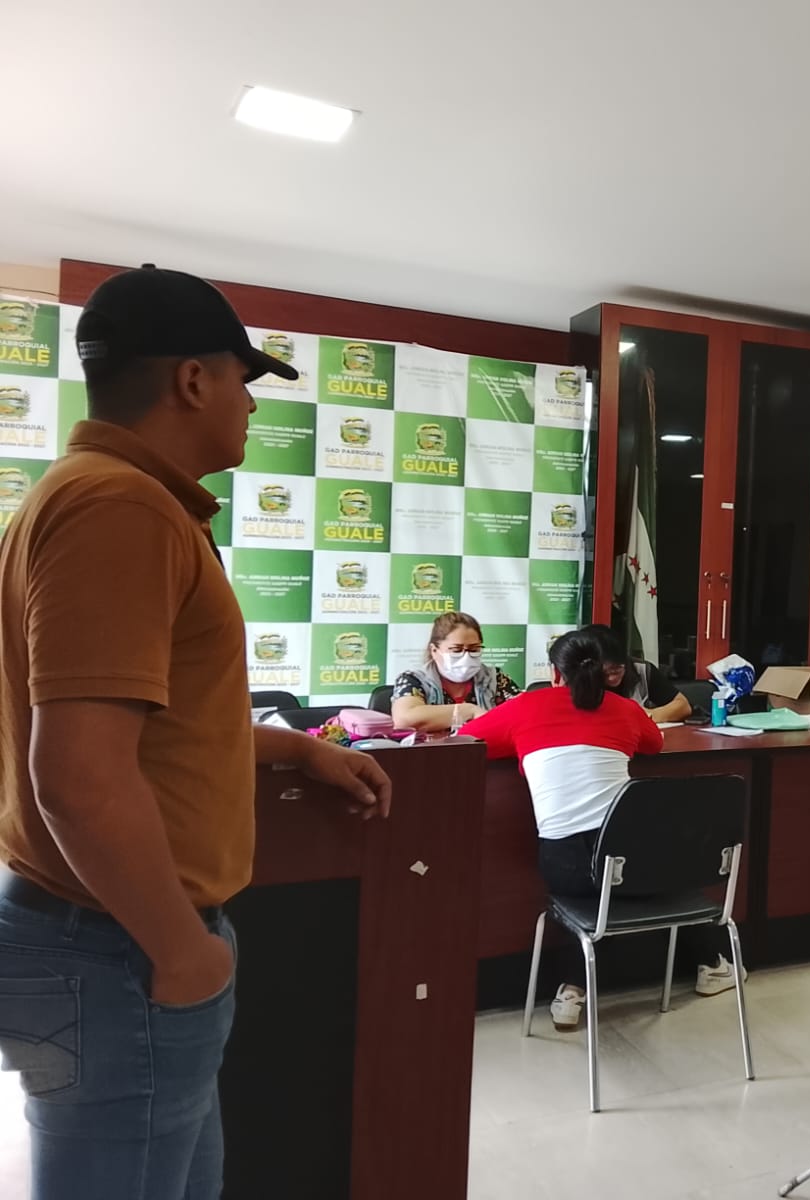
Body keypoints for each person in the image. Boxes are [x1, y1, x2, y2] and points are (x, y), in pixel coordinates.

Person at [0, 265, 390, 1200]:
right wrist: (183, 951)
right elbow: (79, 779)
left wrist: (296, 746)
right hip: (119, 949)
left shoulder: (91, 494)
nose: (250, 405)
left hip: (107, 940)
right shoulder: (121, 508)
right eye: (244, 381)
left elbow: (146, 735)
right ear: (191, 380)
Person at [458, 627, 742, 1031]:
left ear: (556, 673)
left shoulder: (525, 707)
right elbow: (653, 744)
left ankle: (571, 992)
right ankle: (713, 964)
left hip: (563, 864)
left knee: (586, 900)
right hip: (631, 862)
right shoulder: (624, 709)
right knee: (654, 871)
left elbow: (468, 739)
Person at [390, 612, 521, 734]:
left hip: (486, 749)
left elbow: (524, 715)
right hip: (433, 750)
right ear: (434, 650)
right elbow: (404, 720)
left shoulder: (495, 679)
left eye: (474, 649)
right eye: (456, 650)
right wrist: (468, 711)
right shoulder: (414, 679)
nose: (466, 656)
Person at [583, 623, 692, 724]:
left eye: (617, 670)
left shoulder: (642, 670)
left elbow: (683, 706)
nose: (611, 678)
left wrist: (650, 715)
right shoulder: (580, 676)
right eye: (605, 674)